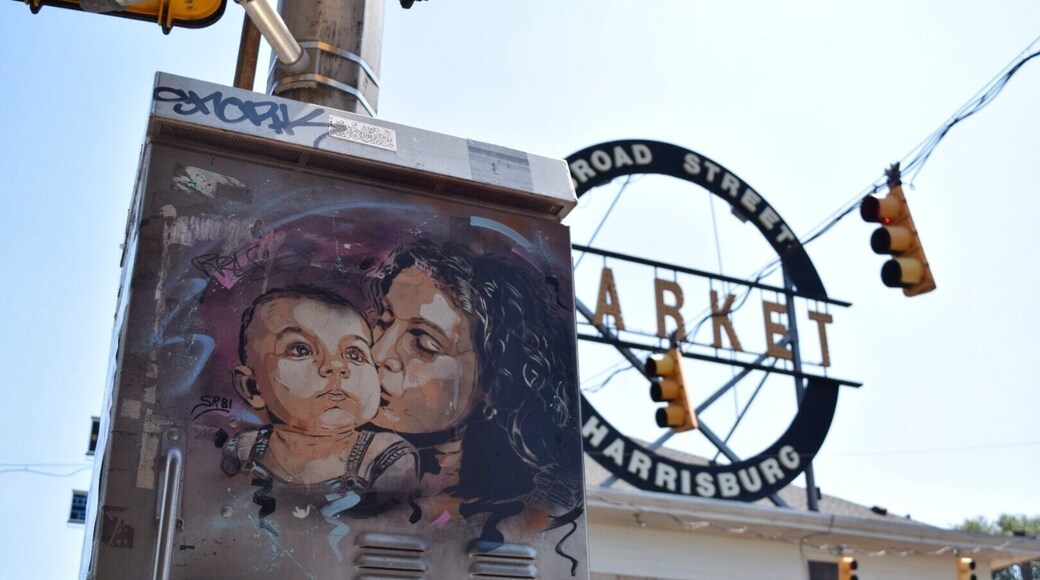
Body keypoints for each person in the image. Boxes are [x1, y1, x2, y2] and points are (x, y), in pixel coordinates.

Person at [366, 240, 584, 559]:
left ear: (495, 382)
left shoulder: (526, 513)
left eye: (424, 344)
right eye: (383, 323)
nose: (378, 353)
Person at [219, 285, 418, 550]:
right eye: (301, 350)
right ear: (252, 387)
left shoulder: (385, 459)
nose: (337, 366)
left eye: (354, 354)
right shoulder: (243, 450)